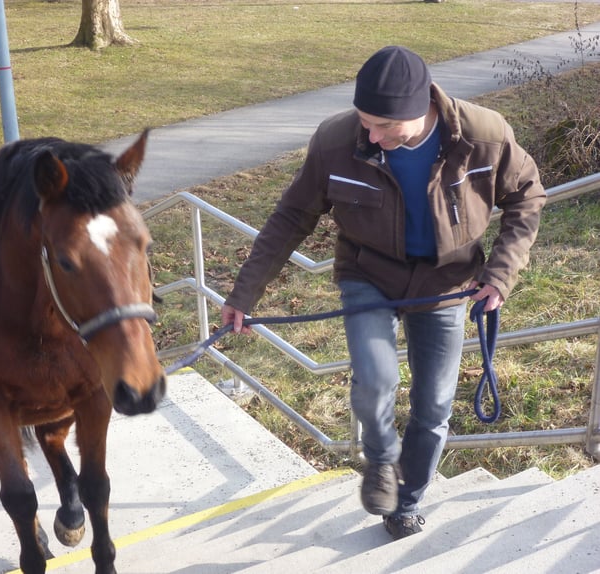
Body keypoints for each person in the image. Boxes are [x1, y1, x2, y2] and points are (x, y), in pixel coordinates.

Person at [221, 45, 546, 540]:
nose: (371, 136)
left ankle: (408, 499)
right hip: (367, 274)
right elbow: (291, 216)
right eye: (365, 122)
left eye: (384, 127)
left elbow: (527, 197)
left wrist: (499, 275)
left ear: (422, 109)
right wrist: (243, 294)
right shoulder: (336, 140)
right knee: (374, 381)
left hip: (447, 283)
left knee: (435, 403)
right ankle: (379, 459)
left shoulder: (484, 136)